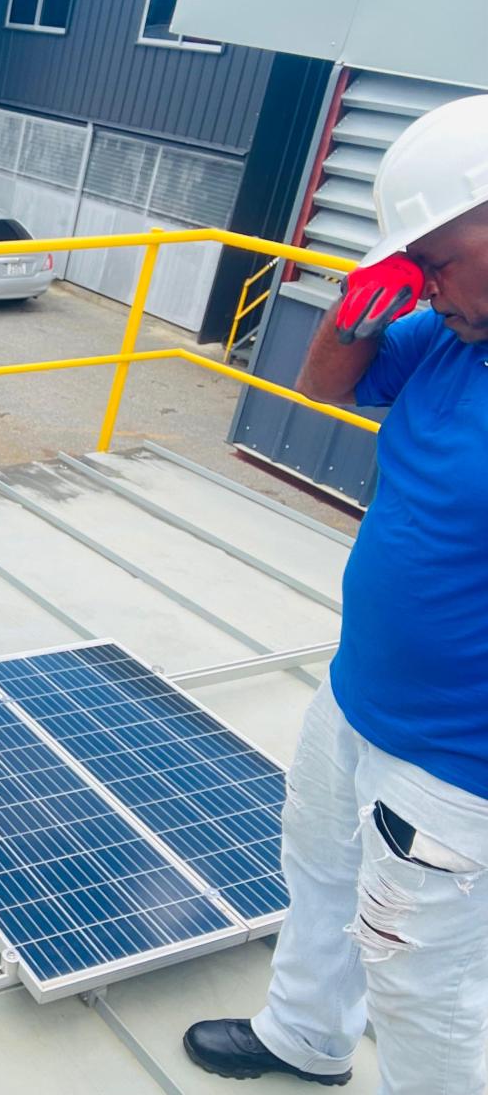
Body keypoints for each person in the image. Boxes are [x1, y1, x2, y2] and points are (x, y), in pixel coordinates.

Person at [183, 94, 488, 1093]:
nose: (427, 282)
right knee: (316, 871)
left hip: (459, 760)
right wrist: (371, 294)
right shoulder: (454, 332)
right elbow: (324, 385)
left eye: (436, 256)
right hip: (359, 693)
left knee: (419, 982)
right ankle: (304, 1037)